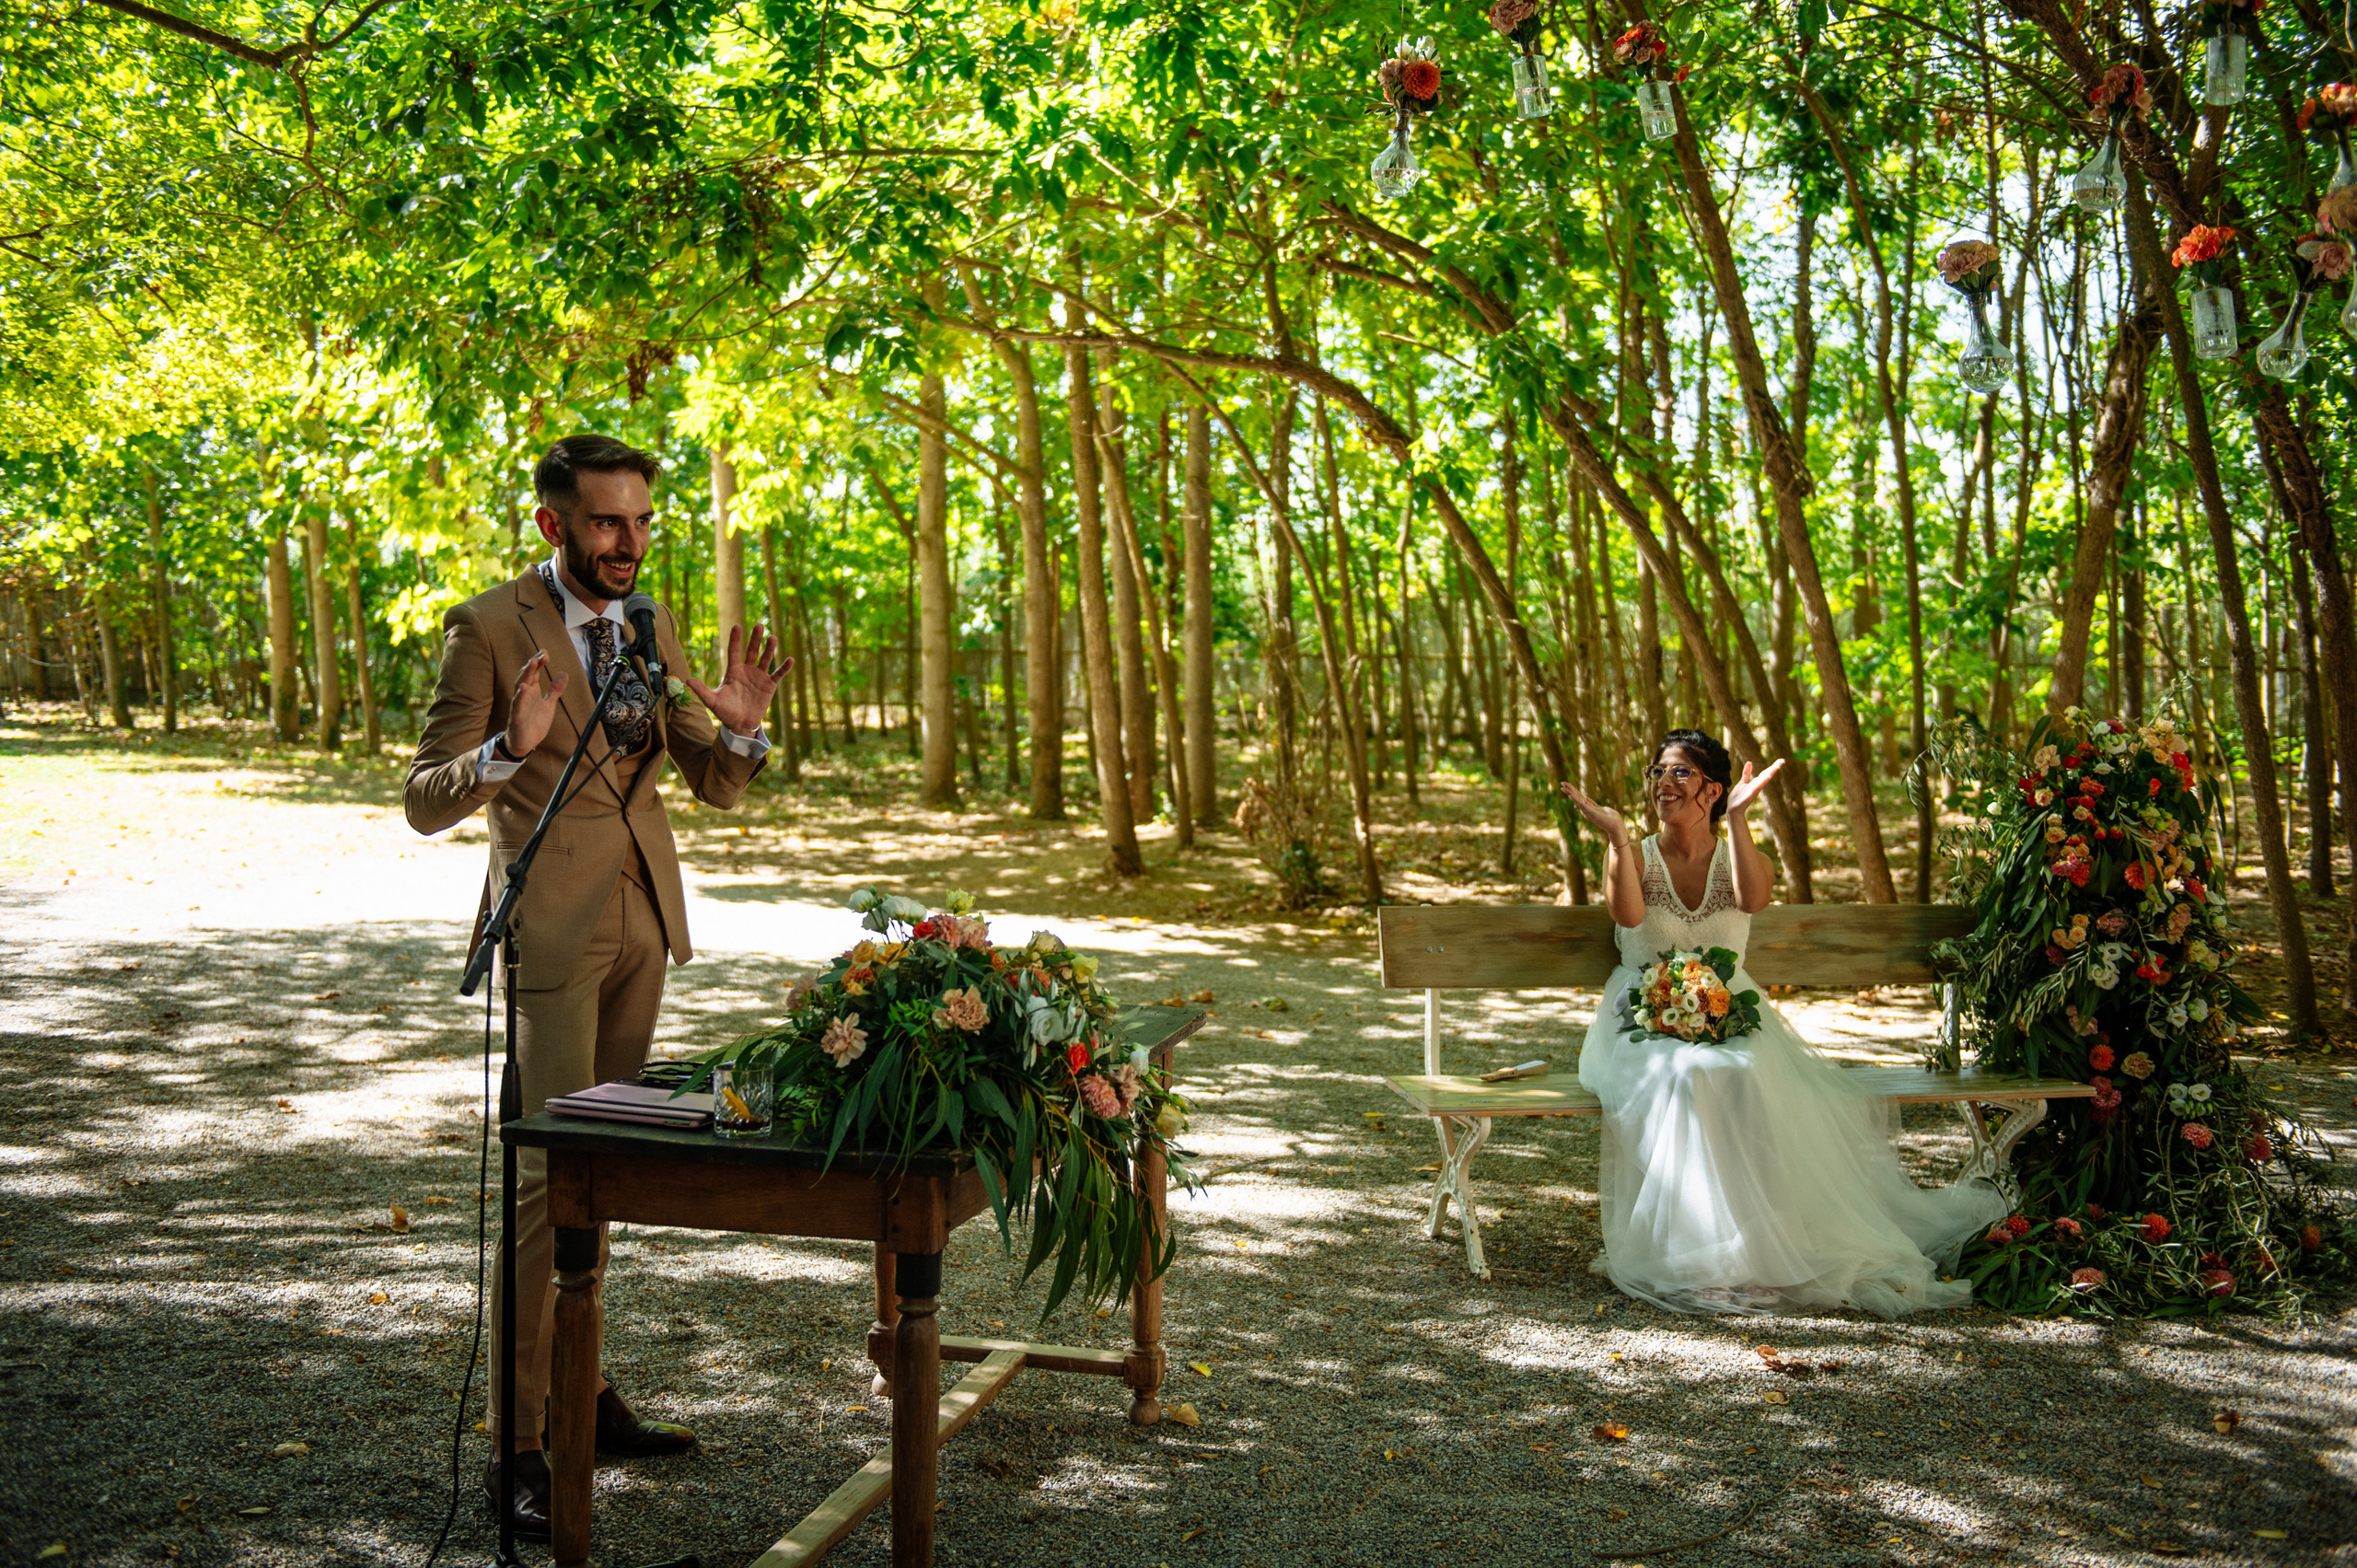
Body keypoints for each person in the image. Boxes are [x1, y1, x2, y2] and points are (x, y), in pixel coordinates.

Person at [404, 434, 786, 1537]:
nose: (629, 543)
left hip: (642, 926)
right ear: (554, 524)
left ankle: (581, 1387)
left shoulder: (652, 624)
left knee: (603, 1170)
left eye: (641, 521)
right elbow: (425, 800)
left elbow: (709, 782)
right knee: (545, 1183)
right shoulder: (488, 628)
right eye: (608, 522)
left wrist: (744, 733)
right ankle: (518, 1446)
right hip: (552, 937)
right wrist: (505, 752)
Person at [1559, 730, 2005, 1317]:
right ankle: (1702, 1256)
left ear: (1713, 790)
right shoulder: (1635, 852)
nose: (1663, 784)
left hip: (1729, 1008)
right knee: (1690, 1078)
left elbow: (1753, 898)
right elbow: (1627, 915)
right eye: (1657, 774)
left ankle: (1759, 1250)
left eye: (1680, 774)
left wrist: (1740, 819)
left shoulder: (1741, 855)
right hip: (1641, 1014)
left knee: (1743, 1074)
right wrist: (1617, 839)